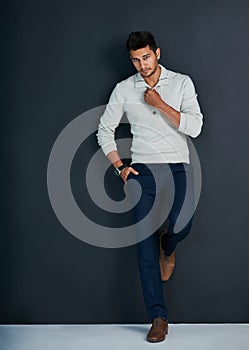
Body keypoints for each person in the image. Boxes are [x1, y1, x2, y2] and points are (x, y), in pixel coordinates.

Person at [97, 31, 203, 343]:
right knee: (143, 247)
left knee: (182, 225)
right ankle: (158, 317)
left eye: (146, 57)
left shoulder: (182, 83)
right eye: (135, 59)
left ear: (157, 53)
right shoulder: (124, 89)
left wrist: (159, 103)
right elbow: (105, 130)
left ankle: (167, 246)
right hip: (141, 170)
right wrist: (120, 167)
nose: (142, 65)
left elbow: (195, 127)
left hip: (177, 166)